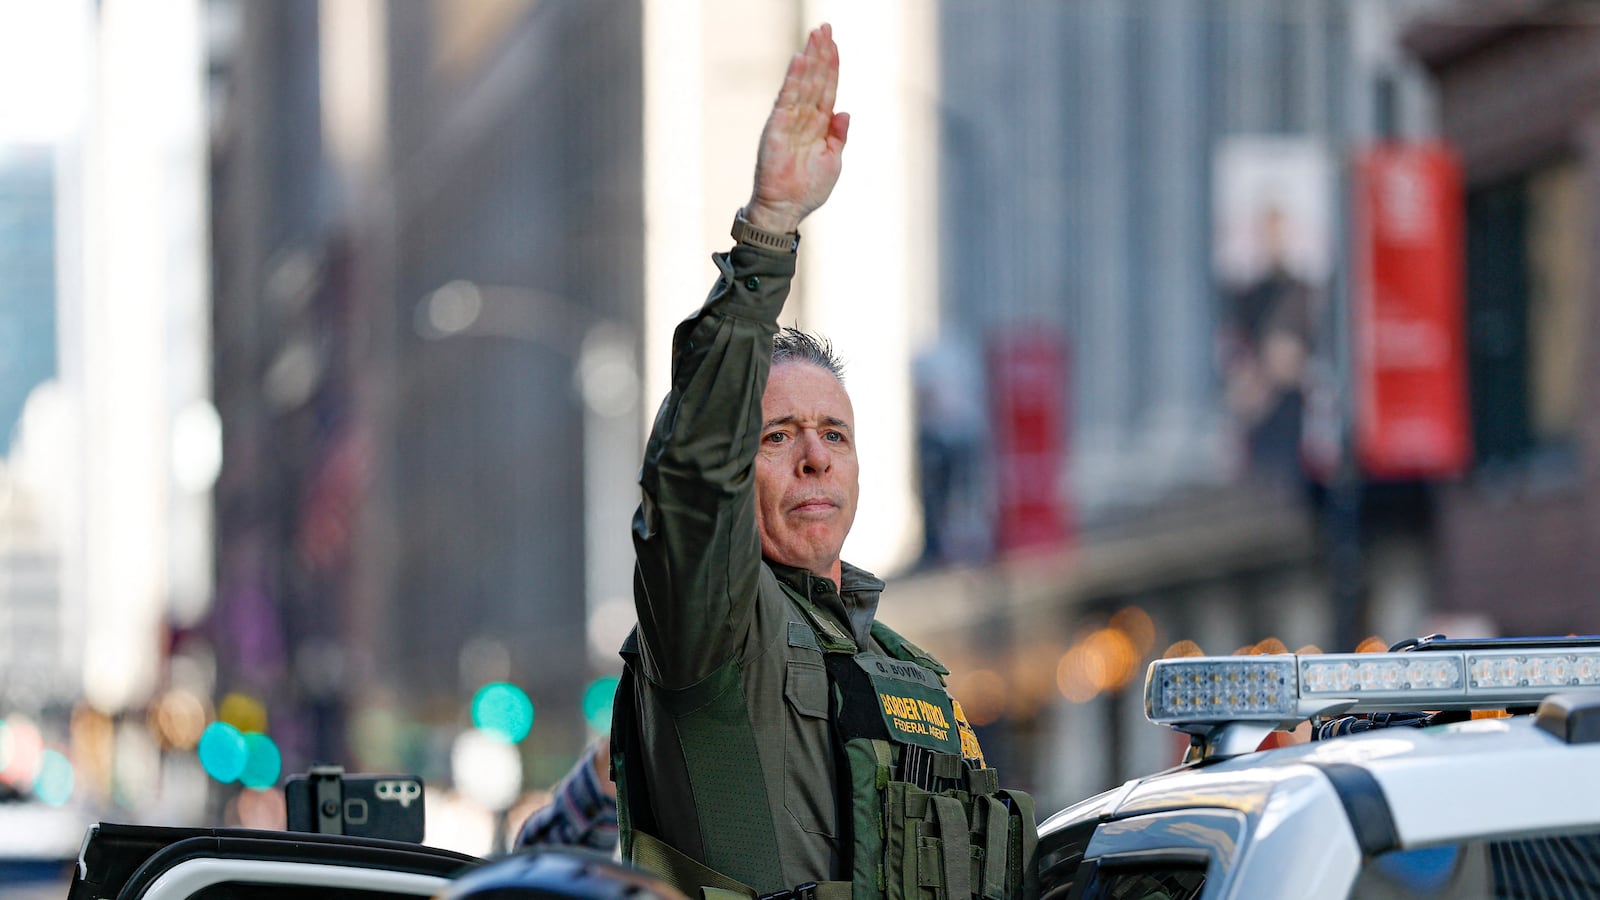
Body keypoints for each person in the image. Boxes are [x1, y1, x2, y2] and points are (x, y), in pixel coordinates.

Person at [611, 24, 1037, 900]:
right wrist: (768, 234)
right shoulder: (714, 629)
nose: (814, 459)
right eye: (777, 437)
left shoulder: (913, 672)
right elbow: (690, 478)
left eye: (834, 435)